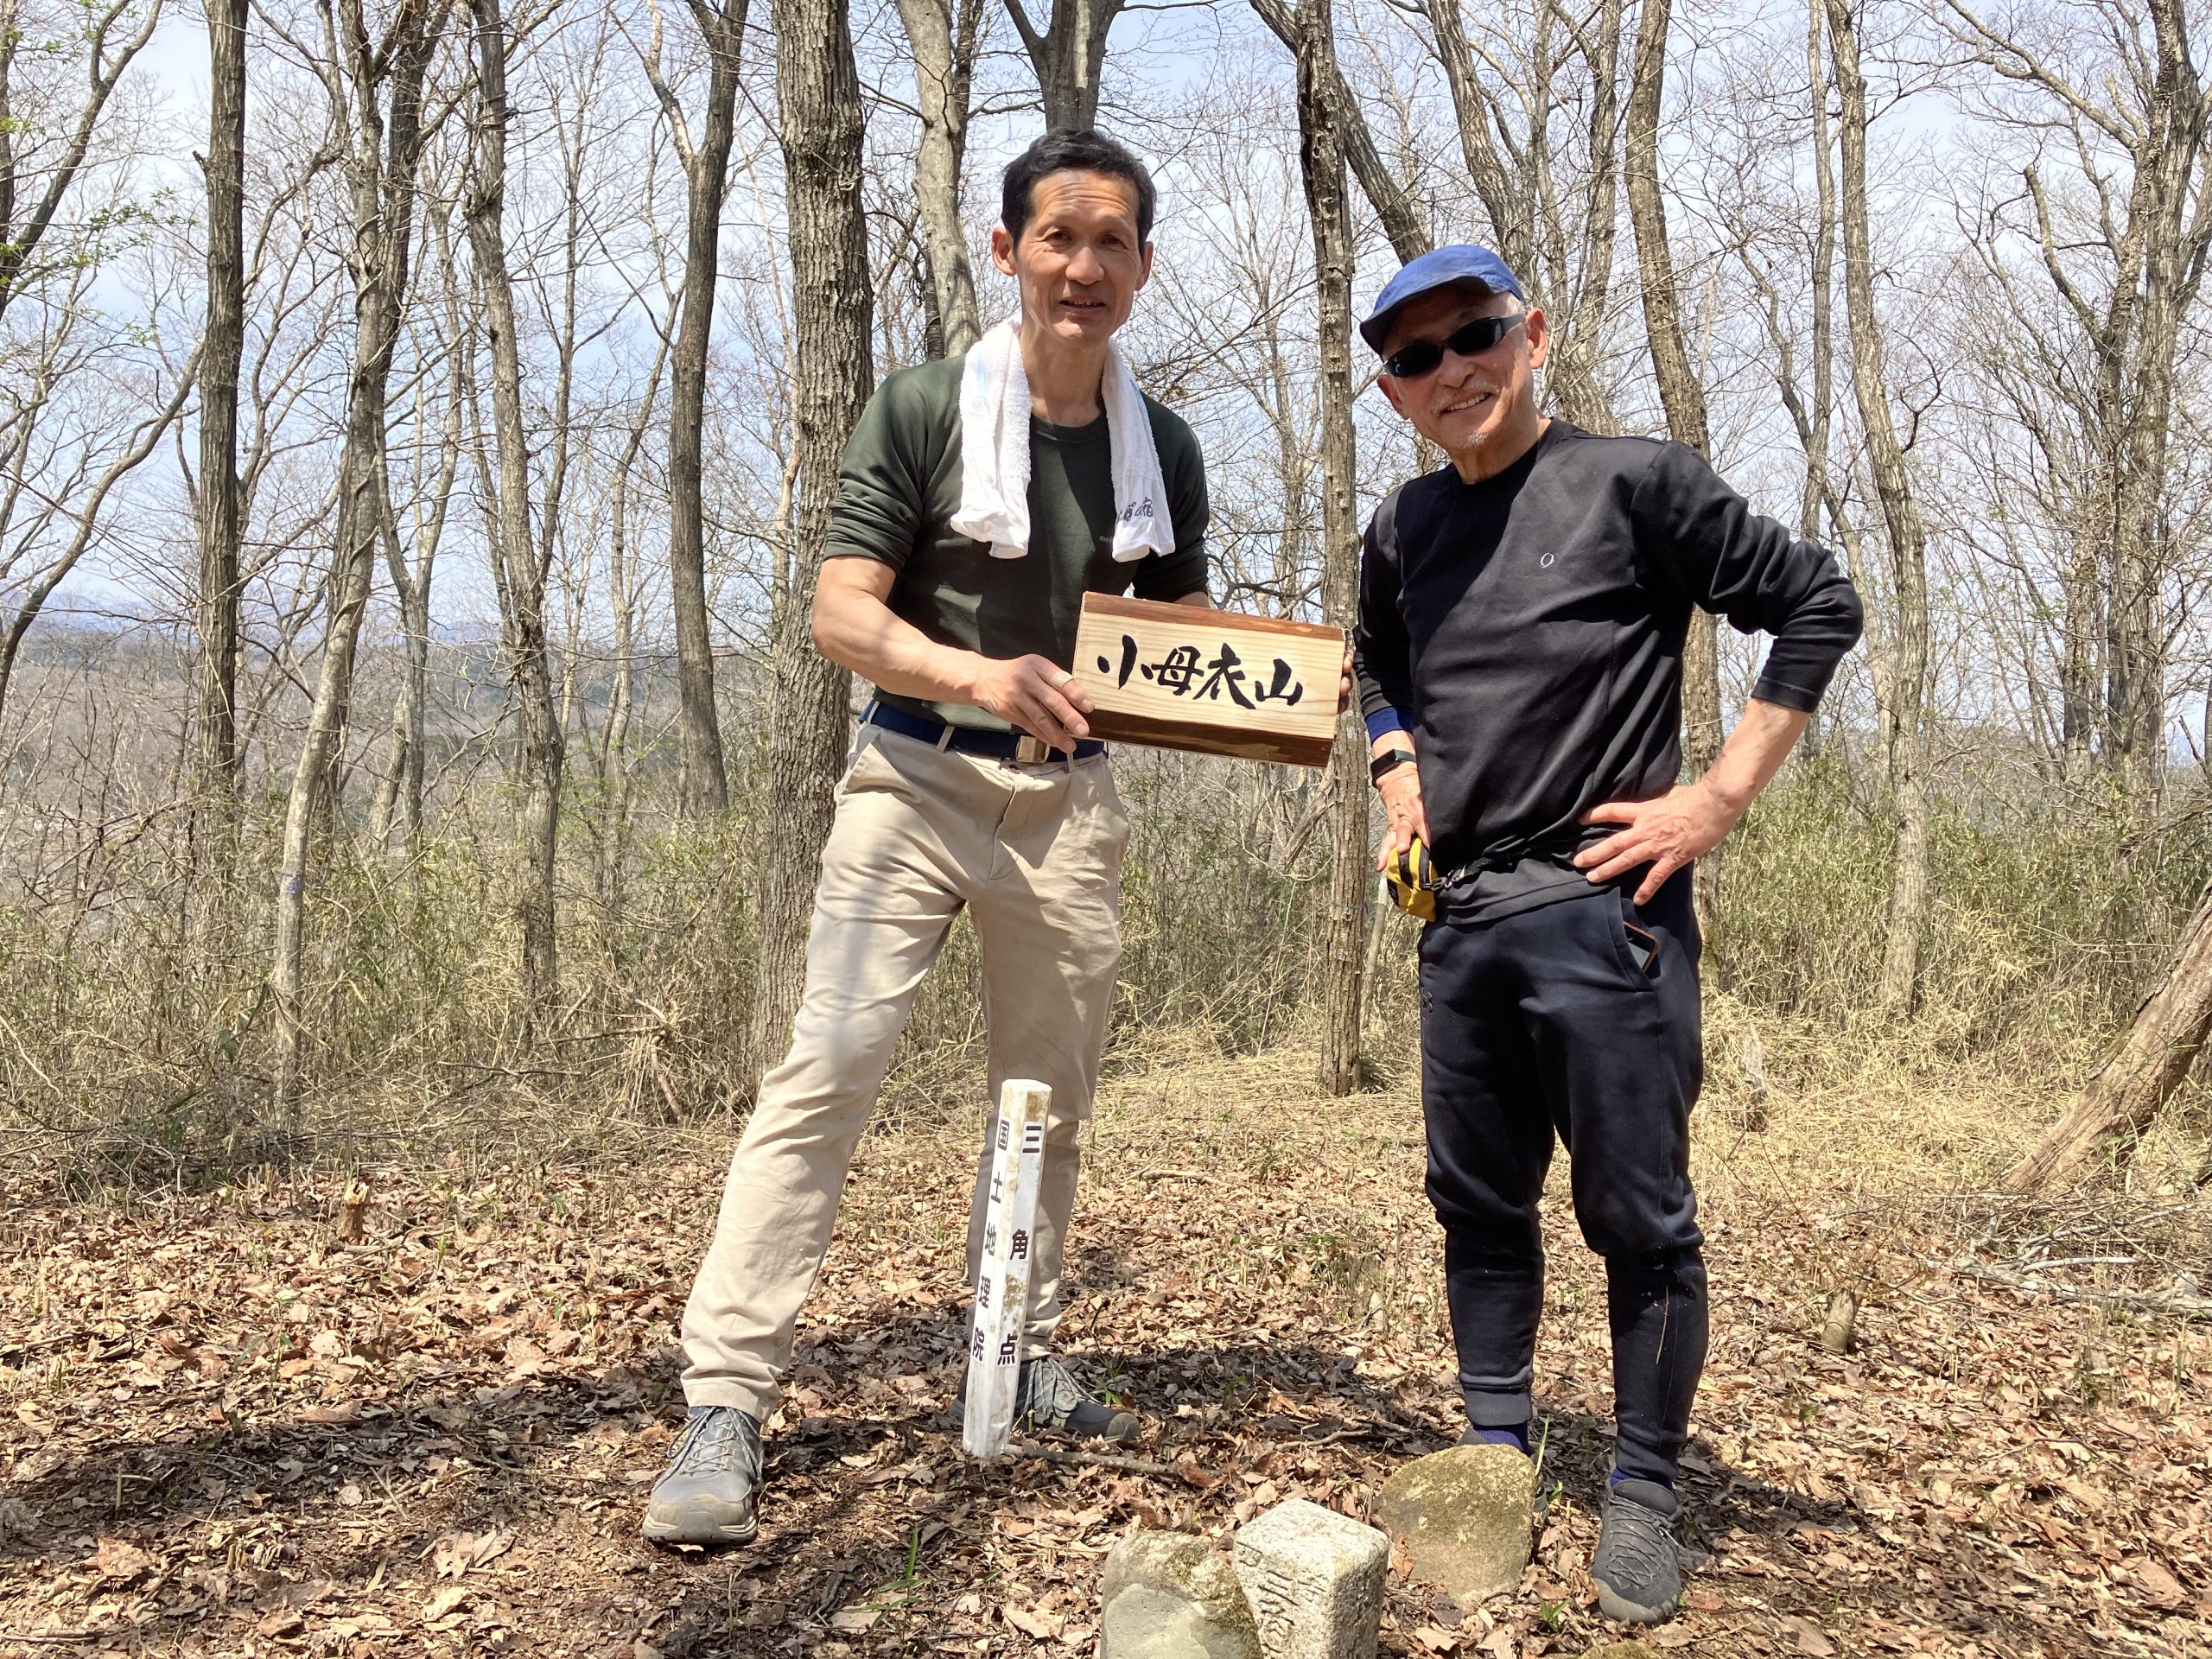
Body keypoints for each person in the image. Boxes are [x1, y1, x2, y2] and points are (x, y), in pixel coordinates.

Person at [644, 130, 1212, 1547]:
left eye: (1114, 243)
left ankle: (1017, 1349)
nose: (1085, 266)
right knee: (827, 1069)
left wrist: (1267, 685)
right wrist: (975, 675)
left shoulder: (1167, 451)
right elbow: (842, 614)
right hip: (911, 780)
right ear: (1009, 249)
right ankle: (726, 1400)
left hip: (1069, 800)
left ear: (1143, 270)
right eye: (1060, 237)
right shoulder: (921, 408)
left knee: (1049, 1095)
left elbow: (1178, 645)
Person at [1352, 246, 1863, 1623]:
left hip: (1606, 909)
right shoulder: (1403, 529)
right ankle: (1499, 1451)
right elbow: (1379, 673)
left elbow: (1818, 601)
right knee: (1475, 1201)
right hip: (1459, 919)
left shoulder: (1635, 481)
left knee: (1637, 1217)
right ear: (1393, 392)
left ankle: (1643, 1491)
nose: (1451, 369)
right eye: (1413, 357)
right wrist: (1399, 772)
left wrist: (1714, 800)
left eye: (1473, 335)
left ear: (1532, 333)